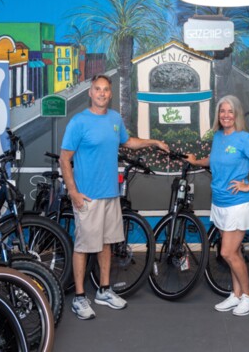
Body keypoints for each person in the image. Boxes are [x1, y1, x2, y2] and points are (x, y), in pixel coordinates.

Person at [59, 74, 169, 320]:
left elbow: (128, 142)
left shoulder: (115, 119)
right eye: (97, 89)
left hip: (110, 194)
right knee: (83, 247)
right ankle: (79, 297)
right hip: (88, 197)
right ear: (90, 93)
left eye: (106, 90)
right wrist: (73, 192)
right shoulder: (79, 122)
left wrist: (153, 142)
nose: (102, 93)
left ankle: (104, 290)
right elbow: (64, 159)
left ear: (110, 93)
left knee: (106, 243)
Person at [185, 95, 249, 316]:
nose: (226, 115)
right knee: (233, 252)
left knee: (227, 253)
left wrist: (248, 185)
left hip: (238, 204)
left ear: (237, 114)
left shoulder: (243, 138)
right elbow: (214, 159)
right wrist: (197, 161)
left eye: (230, 111)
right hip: (220, 203)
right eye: (222, 111)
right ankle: (236, 295)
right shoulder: (218, 137)